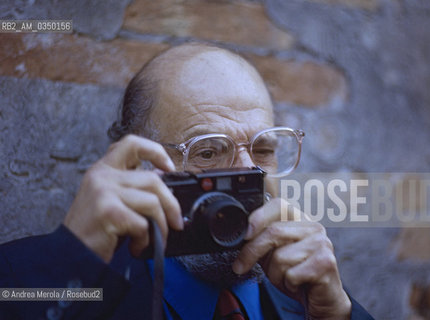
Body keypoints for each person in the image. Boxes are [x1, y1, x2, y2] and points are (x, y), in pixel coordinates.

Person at [0, 43, 373, 319]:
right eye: (208, 152)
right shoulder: (25, 279)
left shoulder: (311, 300)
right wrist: (72, 263)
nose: (250, 174)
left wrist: (339, 314)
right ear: (139, 166)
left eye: (263, 150)